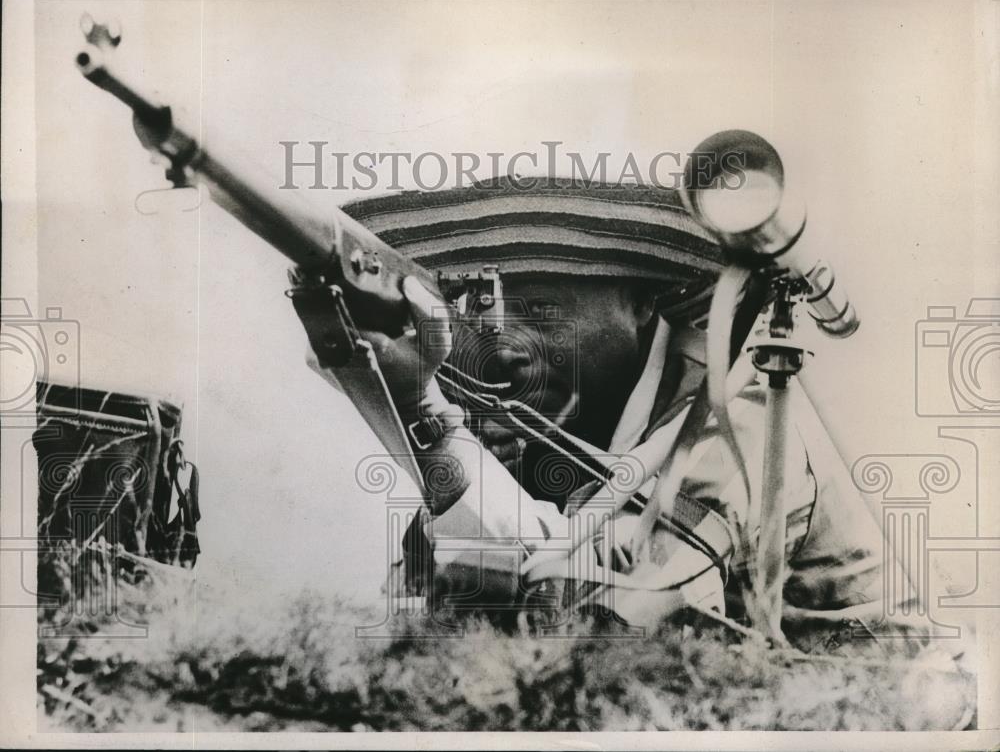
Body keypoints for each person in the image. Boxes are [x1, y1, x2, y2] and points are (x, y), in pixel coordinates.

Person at [293, 177, 959, 652]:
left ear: (641, 304)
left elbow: (584, 632)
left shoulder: (743, 424)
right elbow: (426, 645)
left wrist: (415, 409)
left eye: (542, 303)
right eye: (480, 305)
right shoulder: (516, 453)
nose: (501, 339)